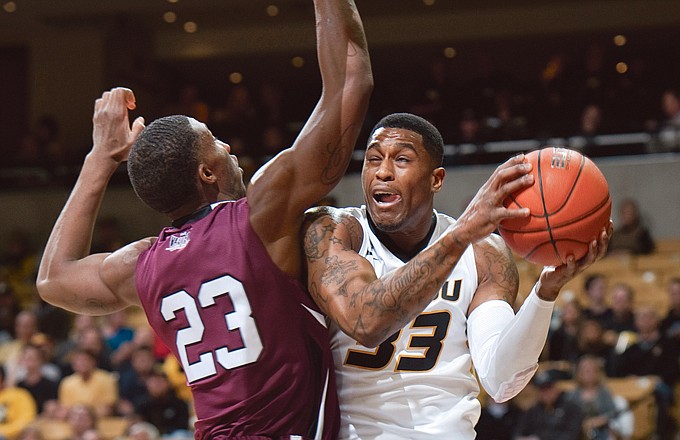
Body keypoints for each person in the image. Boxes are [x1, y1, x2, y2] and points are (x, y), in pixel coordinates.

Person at [35, 1, 373, 438]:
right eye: (215, 141)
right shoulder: (258, 218)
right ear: (206, 173)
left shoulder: (142, 266)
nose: (228, 147)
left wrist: (100, 158)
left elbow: (53, 279)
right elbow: (351, 82)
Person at [302, 113, 611, 438]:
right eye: (373, 159)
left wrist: (544, 293)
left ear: (436, 179)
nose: (382, 172)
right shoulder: (333, 231)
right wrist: (462, 232)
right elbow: (365, 323)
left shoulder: (484, 254)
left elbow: (501, 381)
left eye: (401, 159)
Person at [514, 369, 584, 440]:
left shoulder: (572, 409)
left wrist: (540, 438)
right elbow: (517, 434)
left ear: (557, 387)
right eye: (542, 389)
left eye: (548, 388)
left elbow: (572, 435)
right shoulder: (532, 411)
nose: (545, 393)